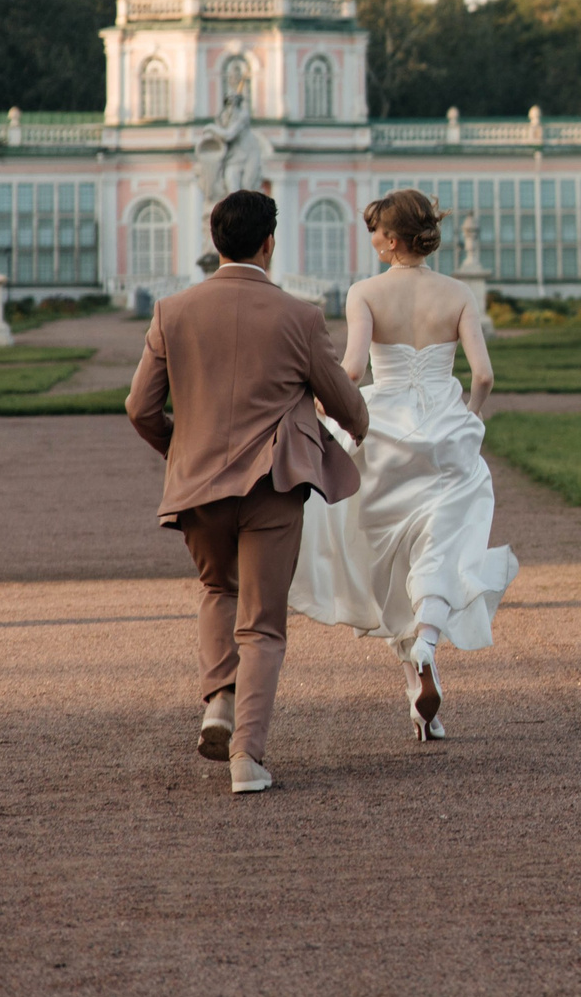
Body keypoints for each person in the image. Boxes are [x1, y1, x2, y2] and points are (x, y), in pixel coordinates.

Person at [126, 190, 369, 797]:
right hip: (273, 487)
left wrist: (180, 450)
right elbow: (346, 405)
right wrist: (358, 426)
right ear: (269, 242)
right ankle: (247, 758)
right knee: (262, 625)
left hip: (198, 487)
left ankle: (219, 701)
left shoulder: (172, 311)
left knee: (216, 590)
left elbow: (139, 408)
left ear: (215, 242)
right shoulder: (301, 316)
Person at [289, 189, 517, 741]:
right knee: (441, 540)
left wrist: (323, 401)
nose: (371, 242)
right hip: (445, 427)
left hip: (384, 428)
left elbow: (352, 364)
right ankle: (427, 647)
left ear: (391, 240)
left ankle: (417, 664)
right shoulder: (458, 293)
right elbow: (483, 375)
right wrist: (468, 416)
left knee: (385, 552)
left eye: (374, 233)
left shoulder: (365, 292)